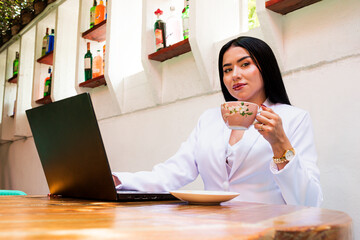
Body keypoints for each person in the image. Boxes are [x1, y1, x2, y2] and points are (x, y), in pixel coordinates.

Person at [113, 36, 323, 207]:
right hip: (212, 228)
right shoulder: (209, 119)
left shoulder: (293, 119)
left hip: (265, 230)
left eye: (245, 64)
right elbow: (173, 173)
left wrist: (280, 144)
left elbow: (308, 202)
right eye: (227, 69)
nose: (235, 75)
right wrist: (119, 180)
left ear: (265, 68)